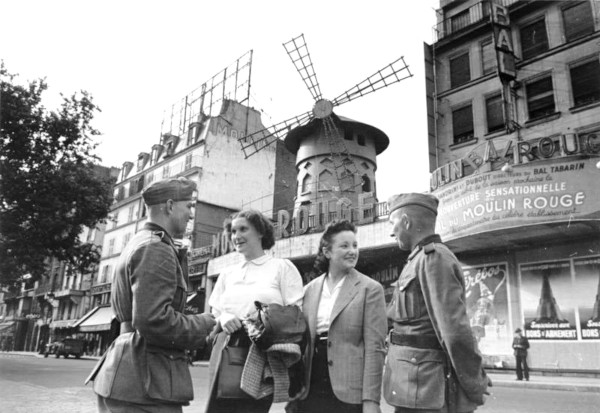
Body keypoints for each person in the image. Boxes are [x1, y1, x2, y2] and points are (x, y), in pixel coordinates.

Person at [86, 177, 216, 413]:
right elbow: (154, 320)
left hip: (128, 374)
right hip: (145, 380)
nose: (191, 214)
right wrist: (205, 323)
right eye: (189, 206)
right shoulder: (156, 247)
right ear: (169, 206)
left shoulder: (139, 242)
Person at [384, 193, 490, 413]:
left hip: (425, 386)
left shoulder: (434, 258)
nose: (391, 231)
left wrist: (474, 381)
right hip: (413, 383)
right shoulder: (418, 260)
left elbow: (454, 331)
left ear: (406, 221)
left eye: (393, 223)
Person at [205, 209, 304, 413]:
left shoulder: (281, 267)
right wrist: (224, 317)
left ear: (260, 232)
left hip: (260, 352)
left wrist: (263, 318)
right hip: (225, 349)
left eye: (243, 229)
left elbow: (295, 313)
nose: (236, 236)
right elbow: (214, 311)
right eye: (233, 231)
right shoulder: (227, 273)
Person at [292, 220, 387, 413]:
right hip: (311, 387)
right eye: (344, 246)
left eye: (355, 245)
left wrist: (371, 400)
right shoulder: (309, 290)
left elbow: (375, 349)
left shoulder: (370, 289)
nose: (352, 251)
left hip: (349, 392)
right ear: (327, 252)